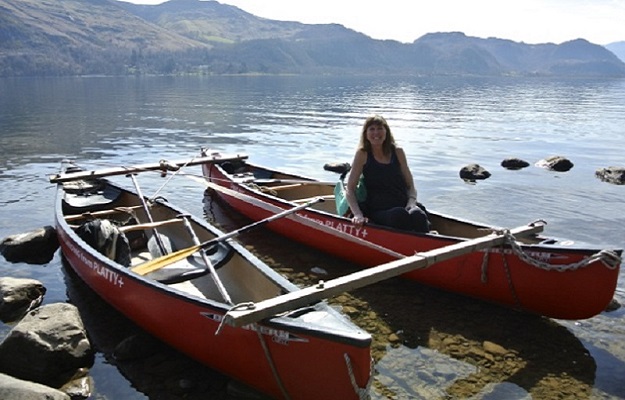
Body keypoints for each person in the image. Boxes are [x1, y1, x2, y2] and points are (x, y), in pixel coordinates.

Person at [345, 115, 430, 232]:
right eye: (372, 129)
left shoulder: (398, 152)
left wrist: (411, 202)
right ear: (366, 133)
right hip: (378, 209)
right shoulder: (363, 154)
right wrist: (358, 214)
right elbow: (350, 189)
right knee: (399, 215)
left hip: (404, 203)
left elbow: (411, 186)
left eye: (380, 128)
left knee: (418, 214)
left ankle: (428, 244)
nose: (376, 133)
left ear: (386, 132)